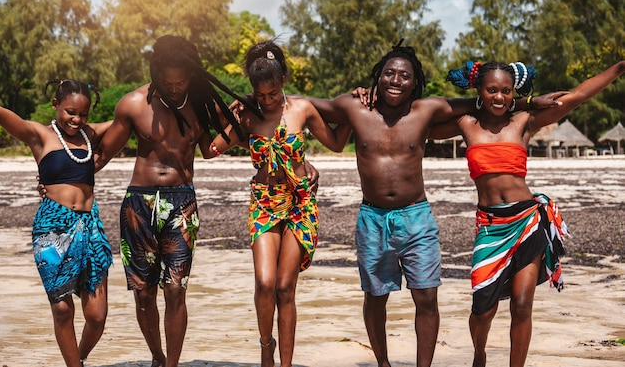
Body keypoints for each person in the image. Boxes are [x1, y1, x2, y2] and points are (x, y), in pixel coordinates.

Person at [295, 40, 563, 367]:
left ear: (415, 83)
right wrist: (259, 101)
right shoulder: (354, 108)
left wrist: (529, 100)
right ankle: (383, 364)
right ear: (377, 77)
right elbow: (305, 106)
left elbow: (482, 102)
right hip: (372, 218)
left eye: (404, 76)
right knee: (375, 298)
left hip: (416, 217)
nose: (396, 80)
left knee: (426, 297)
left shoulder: (427, 109)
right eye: (389, 74)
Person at [92, 35, 265, 367]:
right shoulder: (132, 104)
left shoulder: (202, 104)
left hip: (181, 203)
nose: (174, 87)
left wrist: (247, 127)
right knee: (143, 294)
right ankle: (157, 357)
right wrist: (58, 179)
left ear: (191, 75)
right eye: (167, 82)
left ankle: (172, 364)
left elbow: (216, 146)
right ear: (156, 73)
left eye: (180, 81)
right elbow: (101, 157)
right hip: (138, 204)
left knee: (175, 290)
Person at [444, 59, 625, 367]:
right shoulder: (465, 123)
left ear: (514, 92)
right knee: (482, 311)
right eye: (491, 90)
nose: (499, 98)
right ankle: (479, 355)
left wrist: (620, 67)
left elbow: (578, 96)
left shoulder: (524, 122)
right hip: (490, 228)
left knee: (522, 305)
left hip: (527, 222)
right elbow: (419, 115)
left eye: (506, 91)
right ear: (479, 90)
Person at [207, 39, 351, 367]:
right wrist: (226, 116)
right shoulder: (246, 114)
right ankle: (265, 344)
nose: (267, 101)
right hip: (264, 201)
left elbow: (337, 143)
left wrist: (356, 109)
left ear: (283, 81)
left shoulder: (302, 109)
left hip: (300, 203)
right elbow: (212, 149)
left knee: (285, 287)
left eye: (272, 94)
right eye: (261, 95)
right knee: (264, 281)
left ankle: (285, 364)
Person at [0, 79, 112, 367]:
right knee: (63, 310)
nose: (76, 119)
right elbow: (3, 115)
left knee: (97, 315)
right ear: (55, 105)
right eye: (70, 112)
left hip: (90, 227)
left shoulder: (89, 134)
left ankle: (80, 357)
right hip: (52, 228)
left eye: (83, 114)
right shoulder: (40, 135)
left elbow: (127, 116)